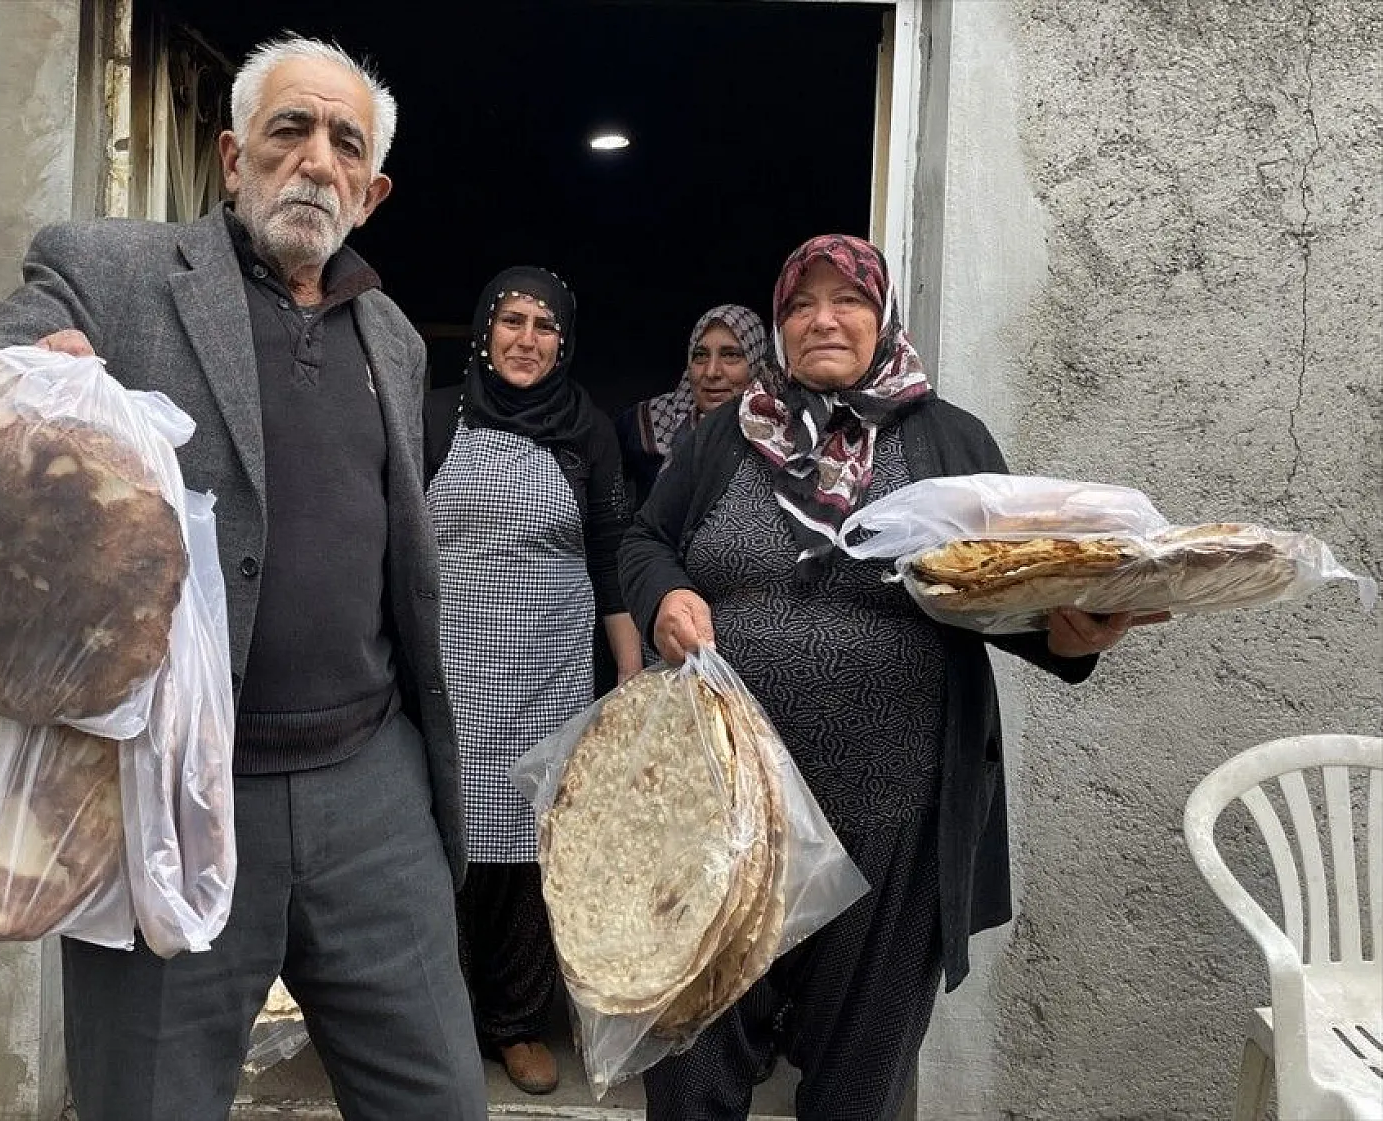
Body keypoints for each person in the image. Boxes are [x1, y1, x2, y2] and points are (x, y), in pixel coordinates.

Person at [0, 36, 485, 1121]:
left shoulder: (394, 340)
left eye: (345, 143)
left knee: (440, 1099)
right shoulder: (112, 274)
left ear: (372, 190)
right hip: (165, 794)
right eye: (289, 129)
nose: (316, 160)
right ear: (231, 155)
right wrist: (17, 385)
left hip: (371, 793)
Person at [618, 234, 1167, 1121]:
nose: (824, 319)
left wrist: (1071, 635)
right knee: (692, 1057)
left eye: (848, 300)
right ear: (779, 324)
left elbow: (1011, 587)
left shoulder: (949, 440)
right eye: (802, 304)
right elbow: (645, 539)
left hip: (894, 819)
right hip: (722, 810)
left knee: (858, 1073)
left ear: (884, 318)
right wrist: (666, 593)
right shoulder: (724, 436)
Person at [423, 266, 643, 1095]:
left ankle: (515, 1022)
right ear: (485, 330)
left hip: (547, 663)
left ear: (564, 341)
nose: (526, 339)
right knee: (442, 841)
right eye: (511, 320)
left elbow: (609, 550)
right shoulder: (435, 413)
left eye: (544, 325)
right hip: (447, 663)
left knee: (528, 843)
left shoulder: (586, 429)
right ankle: (442, 1020)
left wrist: (630, 671)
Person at [617, 304, 771, 507]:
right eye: (700, 355)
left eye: (730, 355)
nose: (711, 372)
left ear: (757, 364)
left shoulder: (778, 438)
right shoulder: (647, 423)